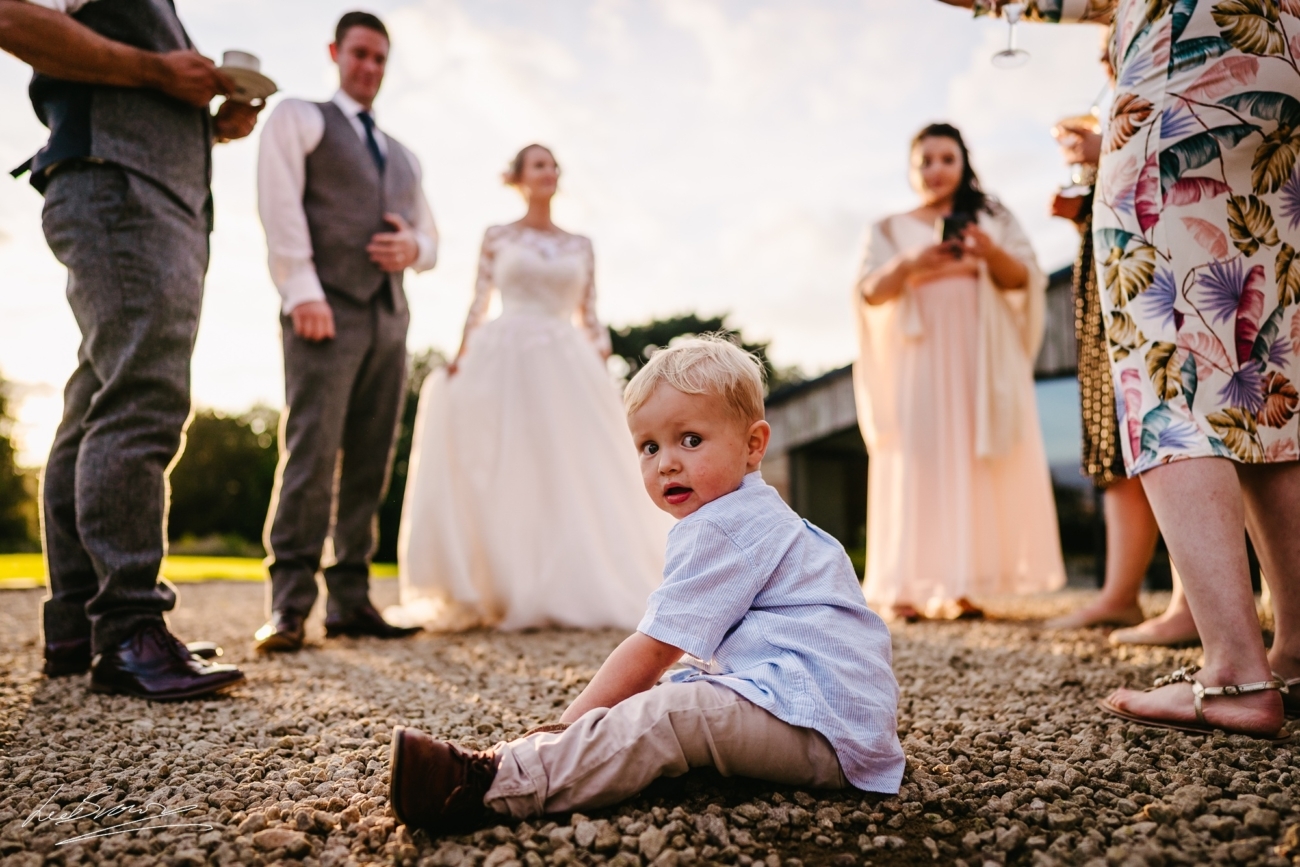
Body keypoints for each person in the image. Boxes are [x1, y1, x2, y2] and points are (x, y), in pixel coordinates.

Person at [937, 0, 1300, 739]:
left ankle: (1235, 669)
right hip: (1279, 86)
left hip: (1177, 96)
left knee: (1169, 377)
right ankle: (1293, 654)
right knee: (1264, 380)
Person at [386, 337, 904, 833]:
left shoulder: (725, 524)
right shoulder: (755, 514)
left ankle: (494, 783)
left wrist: (566, 728)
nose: (667, 462)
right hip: (830, 715)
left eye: (691, 440)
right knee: (672, 700)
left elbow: (653, 650)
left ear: (753, 445)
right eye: (649, 446)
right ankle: (567, 761)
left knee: (672, 714)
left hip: (818, 727)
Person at [1, 0, 259, 698]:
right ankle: (127, 626)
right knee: (143, 394)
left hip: (140, 185)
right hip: (117, 184)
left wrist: (210, 130)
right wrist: (155, 69)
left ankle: (81, 625)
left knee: (98, 398)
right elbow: (11, 18)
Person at [385, 144, 669, 632]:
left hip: (568, 362)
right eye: (539, 164)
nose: (550, 172)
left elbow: (592, 316)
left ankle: (573, 581)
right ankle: (504, 584)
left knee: (574, 467)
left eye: (554, 164)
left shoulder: (580, 244)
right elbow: (478, 302)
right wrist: (459, 358)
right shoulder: (497, 236)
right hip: (505, 357)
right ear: (517, 177)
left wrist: (604, 365)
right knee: (505, 466)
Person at [251, 11, 434, 653]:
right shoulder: (299, 117)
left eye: (380, 58)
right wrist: (302, 288)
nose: (369, 67)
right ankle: (290, 605)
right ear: (335, 51)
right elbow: (277, 202)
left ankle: (351, 601)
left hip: (390, 315)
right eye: (360, 54)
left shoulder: (404, 156)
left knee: (371, 459)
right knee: (312, 450)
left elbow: (431, 239)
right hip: (323, 307)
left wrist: (411, 246)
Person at [853, 123, 1065, 622]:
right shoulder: (887, 228)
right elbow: (868, 291)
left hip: (978, 357)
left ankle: (957, 585)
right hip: (916, 358)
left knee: (969, 456)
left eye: (945, 158)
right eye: (924, 160)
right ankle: (904, 588)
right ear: (910, 169)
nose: (935, 170)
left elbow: (1024, 281)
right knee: (917, 459)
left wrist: (987, 253)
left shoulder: (993, 218)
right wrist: (911, 263)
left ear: (963, 163)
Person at [1043, 100, 1198, 646]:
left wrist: (1105, 145)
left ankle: (1190, 602)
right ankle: (1120, 592)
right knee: (1114, 436)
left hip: (1158, 270)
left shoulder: (1158, 73)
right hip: (1105, 283)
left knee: (1178, 422)